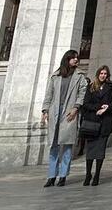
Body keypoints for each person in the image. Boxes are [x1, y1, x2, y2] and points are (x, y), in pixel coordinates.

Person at [41, 49, 87, 188]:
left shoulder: (80, 76)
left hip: (69, 112)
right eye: (73, 58)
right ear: (67, 59)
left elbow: (82, 93)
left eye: (77, 58)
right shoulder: (56, 75)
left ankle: (62, 175)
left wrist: (76, 107)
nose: (76, 60)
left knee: (67, 145)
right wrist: (45, 110)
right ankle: (51, 175)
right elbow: (49, 94)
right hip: (55, 111)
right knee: (53, 145)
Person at [80, 66, 112, 186]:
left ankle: (97, 174)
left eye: (105, 73)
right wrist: (98, 108)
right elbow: (85, 104)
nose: (103, 75)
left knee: (100, 151)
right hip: (92, 122)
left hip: (105, 122)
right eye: (101, 73)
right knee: (90, 150)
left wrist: (107, 108)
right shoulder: (91, 87)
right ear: (97, 74)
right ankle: (88, 174)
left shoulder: (111, 87)